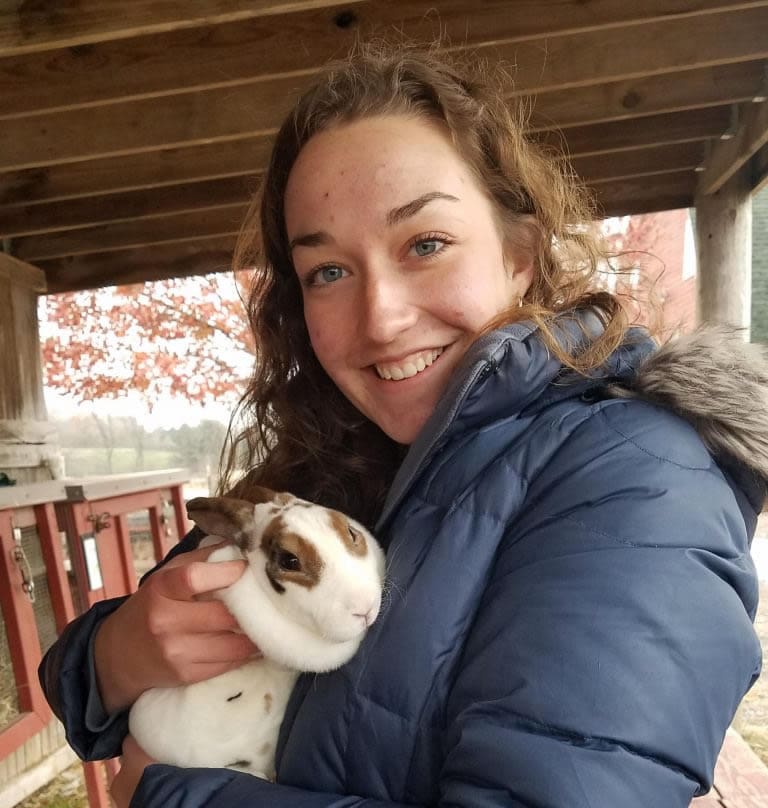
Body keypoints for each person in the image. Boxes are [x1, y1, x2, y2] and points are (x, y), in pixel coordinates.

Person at [40, 42, 766, 808]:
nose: (380, 319)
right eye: (328, 271)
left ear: (520, 254)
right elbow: (80, 677)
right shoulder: (331, 458)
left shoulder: (637, 474)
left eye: (425, 244)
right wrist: (118, 653)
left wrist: (160, 798)